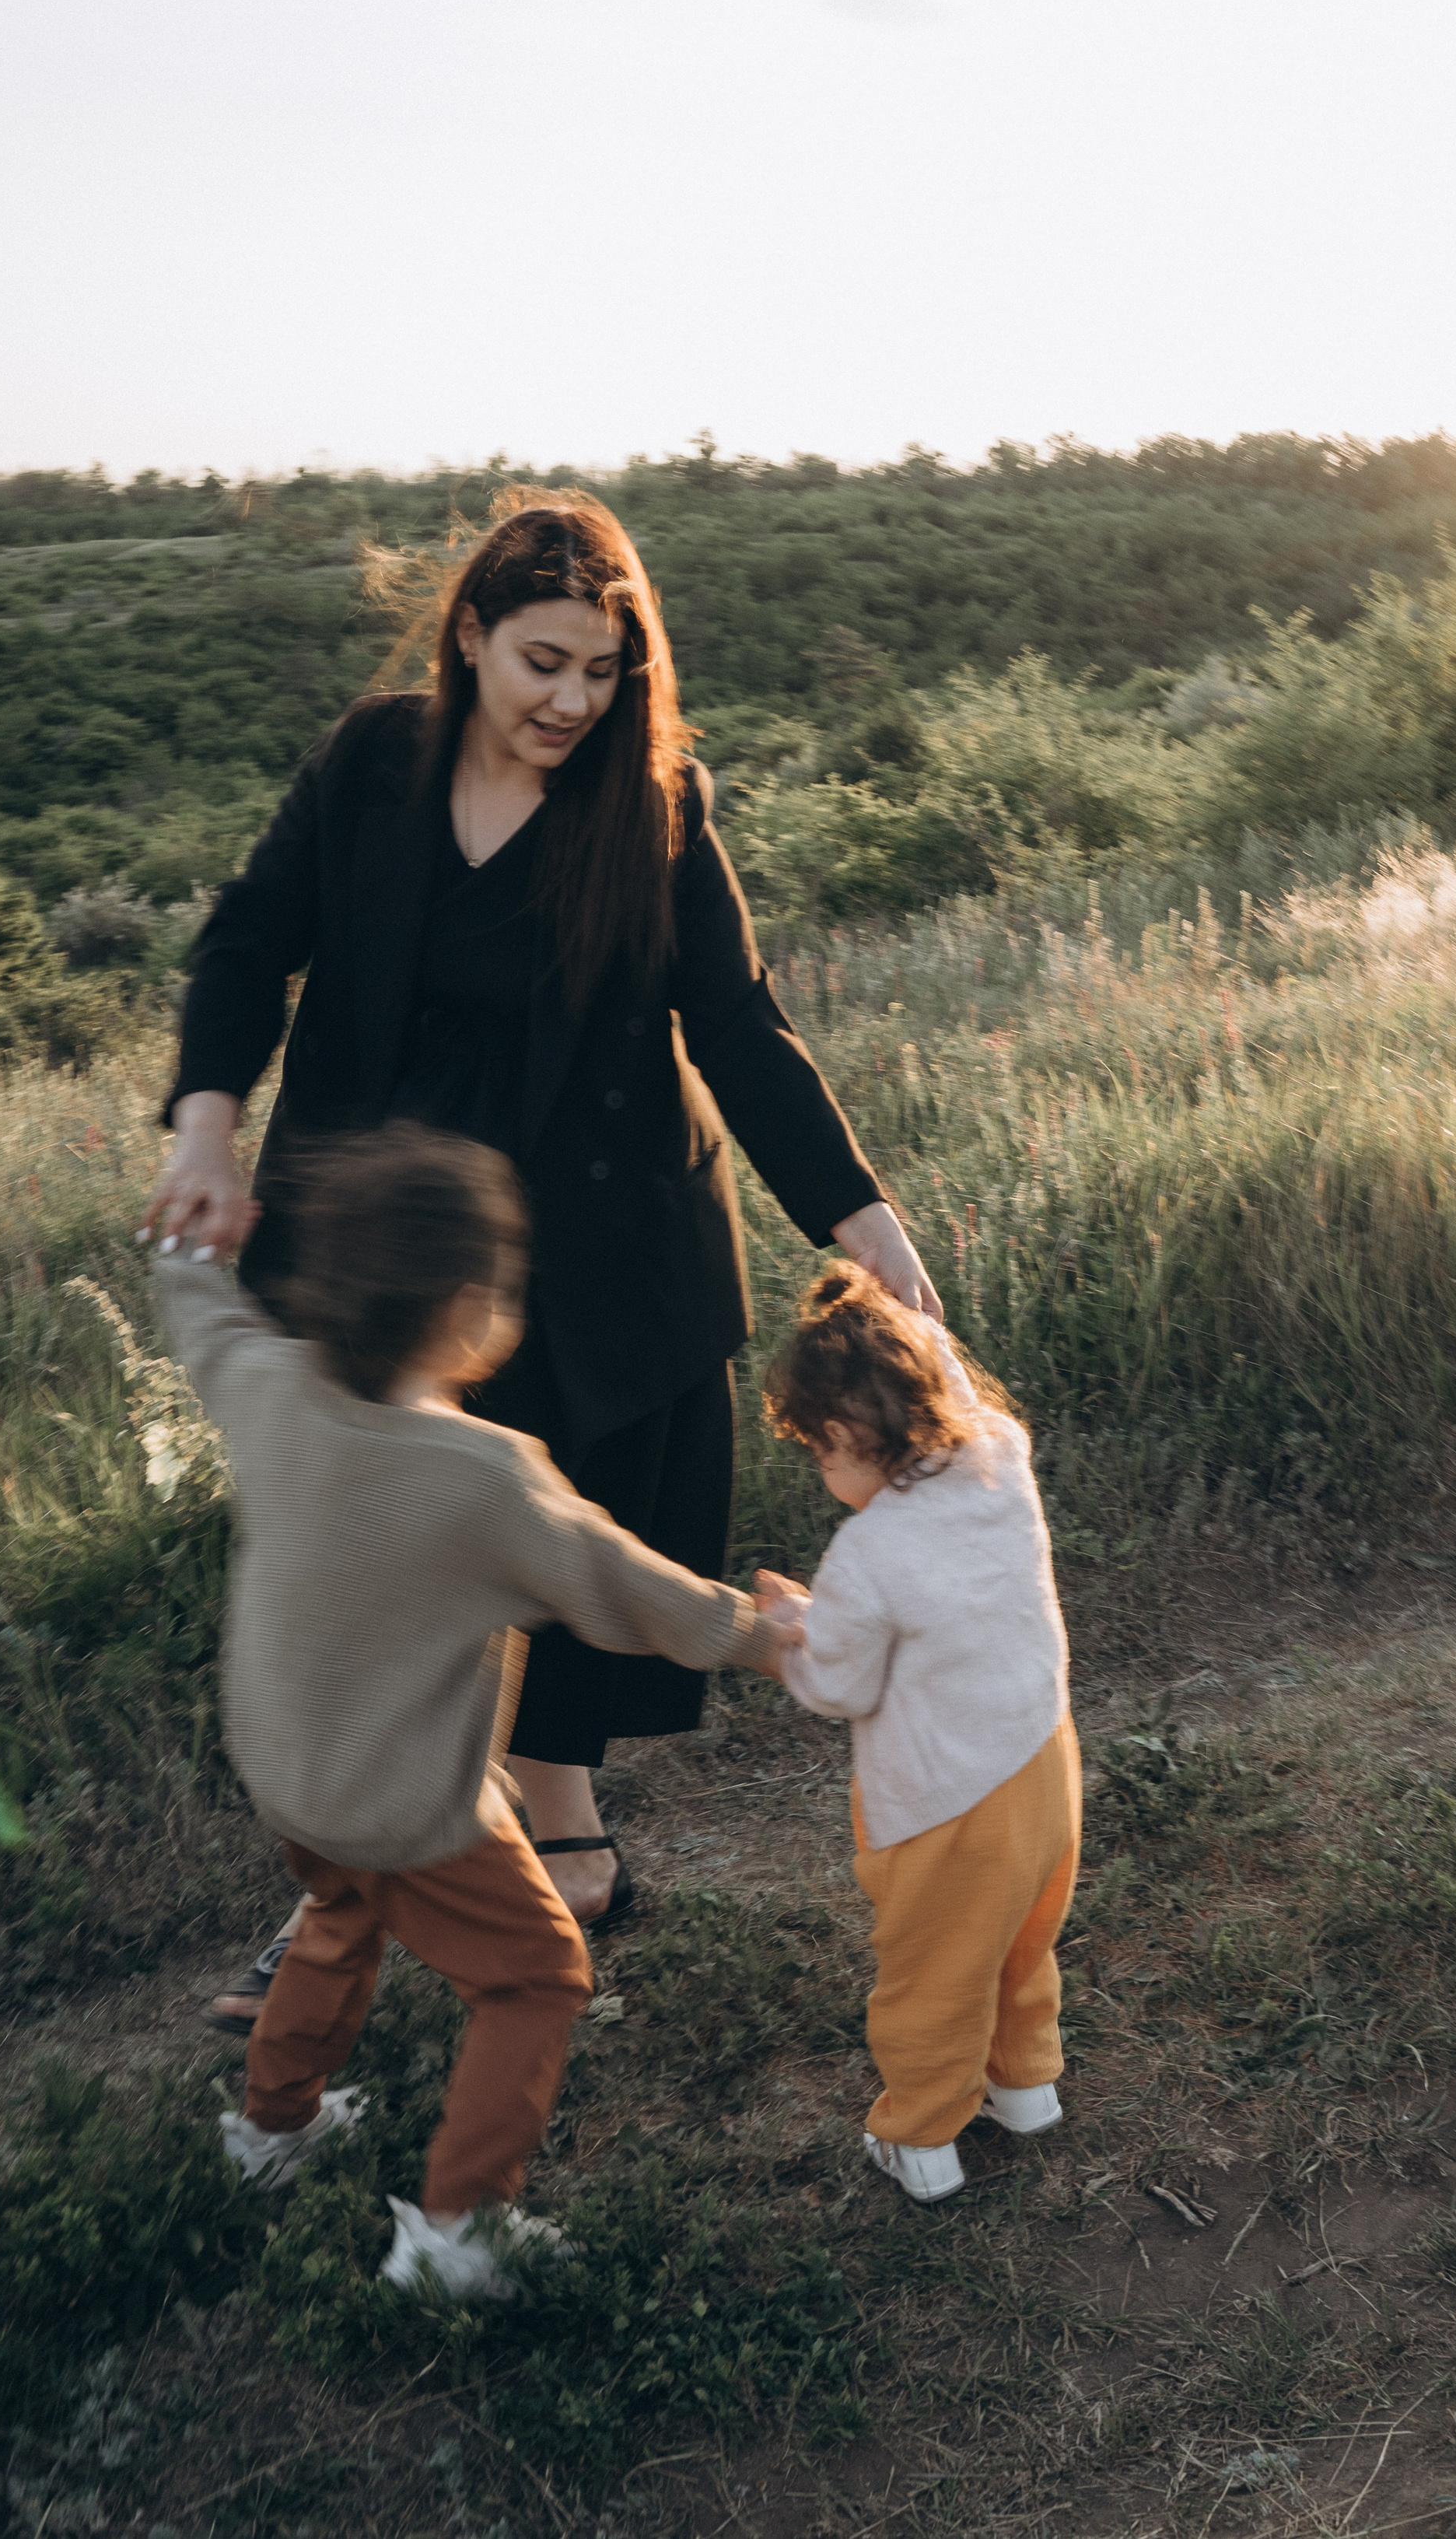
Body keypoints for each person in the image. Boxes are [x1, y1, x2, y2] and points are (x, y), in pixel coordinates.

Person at [142, 489, 938, 2020]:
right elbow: (248, 941)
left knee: (569, 1534)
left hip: (590, 1238)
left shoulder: (653, 800)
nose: (575, 698)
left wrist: (864, 1222)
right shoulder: (377, 761)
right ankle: (349, 1889)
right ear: (471, 636)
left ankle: (560, 1835)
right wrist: (203, 1130)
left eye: (604, 667)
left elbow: (739, 1028)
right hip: (383, 1243)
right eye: (544, 662)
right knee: (381, 1556)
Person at [156, 1123, 798, 2301]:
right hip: (412, 1804)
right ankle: (459, 2227)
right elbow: (623, 1586)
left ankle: (270, 2125)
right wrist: (761, 1635)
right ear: (466, 1309)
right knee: (536, 1975)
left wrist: (190, 1245)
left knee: (339, 1912)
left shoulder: (274, 1385)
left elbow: (202, 1316)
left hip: (291, 1768)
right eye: (506, 1283)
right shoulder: (485, 1474)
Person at [754, 1263, 1079, 2205]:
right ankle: (1026, 2091)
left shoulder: (867, 1555)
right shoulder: (1000, 1458)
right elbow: (947, 1379)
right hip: (1043, 1767)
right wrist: (881, 1312)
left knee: (936, 1971)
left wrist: (789, 1634)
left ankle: (923, 2141)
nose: (823, 1475)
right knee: (1021, 1940)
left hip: (946, 1806)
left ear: (850, 1436)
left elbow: (841, 1686)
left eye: (820, 1451)